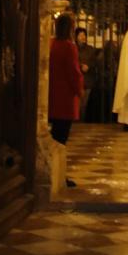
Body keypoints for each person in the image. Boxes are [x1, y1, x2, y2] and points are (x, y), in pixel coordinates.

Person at [49, 10, 84, 187]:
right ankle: (58, 174)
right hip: (65, 99)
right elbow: (74, 73)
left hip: (52, 96)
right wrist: (80, 91)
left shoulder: (51, 43)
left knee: (54, 136)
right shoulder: (69, 47)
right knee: (61, 138)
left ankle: (54, 172)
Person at [75, 25, 97, 122]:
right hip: (76, 80)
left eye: (84, 35)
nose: (83, 37)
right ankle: (76, 121)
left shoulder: (90, 49)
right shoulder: (73, 48)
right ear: (76, 37)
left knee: (84, 104)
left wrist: (89, 66)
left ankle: (81, 122)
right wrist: (80, 66)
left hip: (87, 80)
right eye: (80, 35)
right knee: (77, 104)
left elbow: (95, 62)